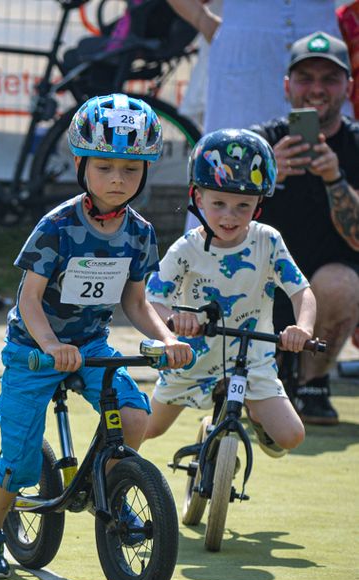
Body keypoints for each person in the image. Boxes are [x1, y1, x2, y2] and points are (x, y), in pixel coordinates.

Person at [0, 94, 193, 579]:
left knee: (135, 417)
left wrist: (163, 338)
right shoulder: (57, 227)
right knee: (21, 460)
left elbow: (135, 302)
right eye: (105, 167)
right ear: (81, 166)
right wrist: (49, 345)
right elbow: (28, 299)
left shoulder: (139, 233)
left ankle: (106, 486)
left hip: (89, 347)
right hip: (34, 350)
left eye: (130, 171)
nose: (117, 179)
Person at [143, 129, 316, 455]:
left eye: (242, 205)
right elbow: (152, 300)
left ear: (258, 205)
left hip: (250, 358)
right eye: (218, 203)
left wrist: (303, 328)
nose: (229, 215)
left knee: (291, 436)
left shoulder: (268, 241)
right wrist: (175, 319)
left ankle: (253, 412)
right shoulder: (186, 249)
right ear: (198, 199)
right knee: (149, 427)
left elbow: (301, 291)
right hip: (191, 355)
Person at [251, 31, 359, 425]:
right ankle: (268, 371)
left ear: (347, 87)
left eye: (329, 79)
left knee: (341, 284)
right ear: (286, 86)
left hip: (325, 290)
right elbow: (218, 221)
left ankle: (313, 383)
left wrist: (335, 179)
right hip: (260, 286)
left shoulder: (355, 145)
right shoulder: (260, 142)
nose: (316, 89)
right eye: (305, 78)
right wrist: (263, 173)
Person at [165, 0, 344, 133]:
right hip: (247, 59)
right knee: (240, 158)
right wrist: (203, 20)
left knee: (323, 157)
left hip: (322, 55)